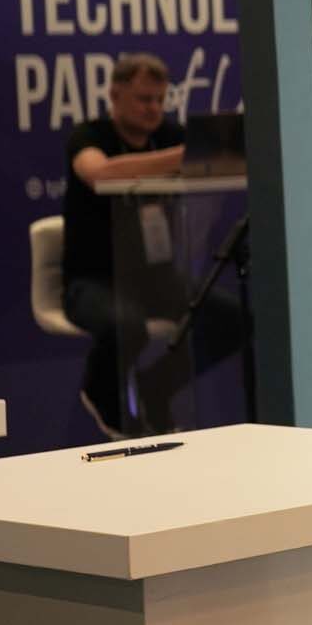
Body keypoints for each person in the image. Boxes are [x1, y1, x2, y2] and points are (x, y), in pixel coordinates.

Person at [62, 53, 245, 437]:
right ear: (115, 95)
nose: (154, 109)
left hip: (157, 278)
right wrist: (180, 157)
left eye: (161, 100)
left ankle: (158, 385)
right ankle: (102, 394)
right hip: (94, 279)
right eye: (144, 99)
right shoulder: (90, 136)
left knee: (235, 318)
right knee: (126, 326)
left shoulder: (170, 134)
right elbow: (98, 173)